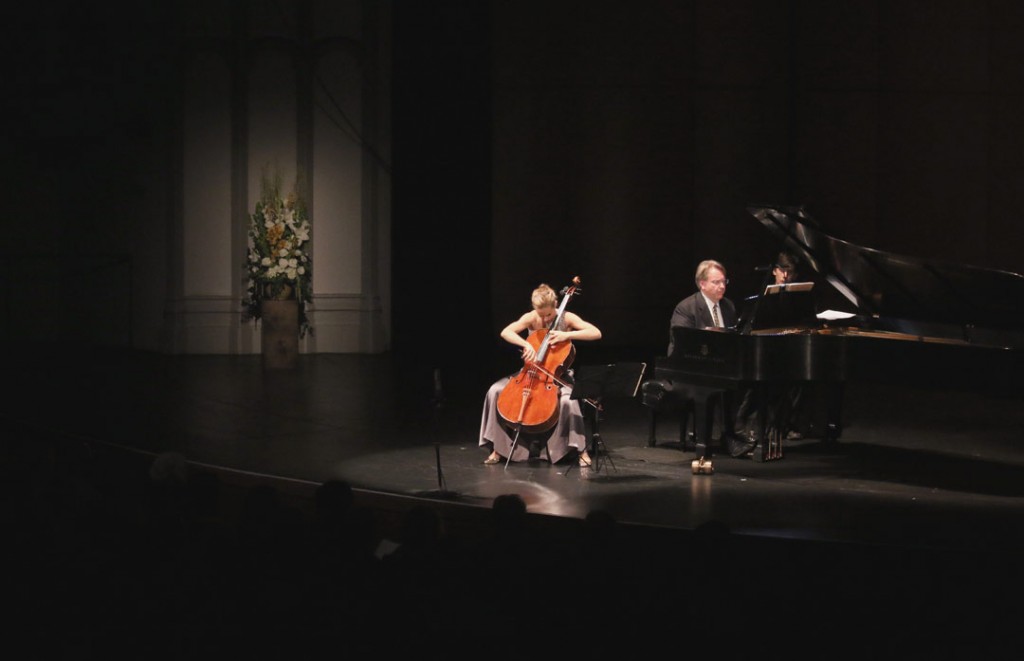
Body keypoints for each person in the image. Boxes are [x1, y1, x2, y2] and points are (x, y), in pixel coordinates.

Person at [479, 283, 602, 467]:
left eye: (549, 315)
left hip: (556, 375)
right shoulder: (531, 317)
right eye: (540, 314)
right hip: (530, 372)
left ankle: (579, 449)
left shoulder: (567, 317)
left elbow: (596, 333)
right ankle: (499, 447)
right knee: (494, 390)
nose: (544, 319)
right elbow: (506, 332)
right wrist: (526, 344)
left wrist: (566, 335)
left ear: (556, 305)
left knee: (569, 400)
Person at [666, 260, 754, 457]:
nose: (722, 286)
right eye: (716, 282)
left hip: (720, 365)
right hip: (688, 368)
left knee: (749, 382)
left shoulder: (728, 306)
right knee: (719, 385)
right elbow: (681, 343)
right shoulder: (686, 307)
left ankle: (740, 432)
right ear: (702, 284)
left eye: (724, 281)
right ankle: (729, 437)